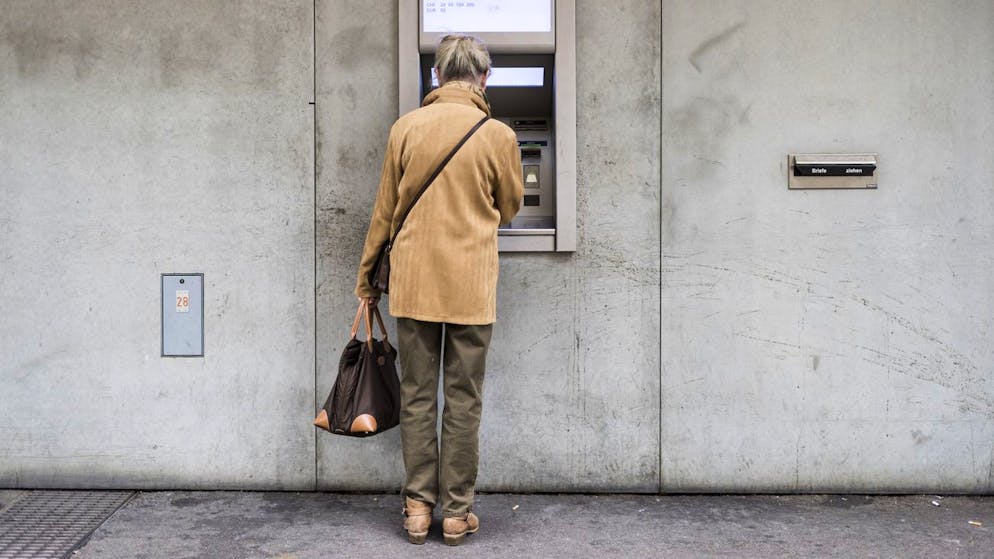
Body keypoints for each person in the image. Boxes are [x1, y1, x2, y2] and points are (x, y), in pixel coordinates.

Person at [354, 34, 523, 546]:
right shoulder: (499, 136)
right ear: (484, 77)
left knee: (418, 396)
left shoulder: (405, 129)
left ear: (436, 76)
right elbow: (511, 208)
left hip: (416, 285)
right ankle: (456, 512)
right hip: (471, 286)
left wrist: (367, 280)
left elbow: (384, 213)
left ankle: (416, 510)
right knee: (464, 397)